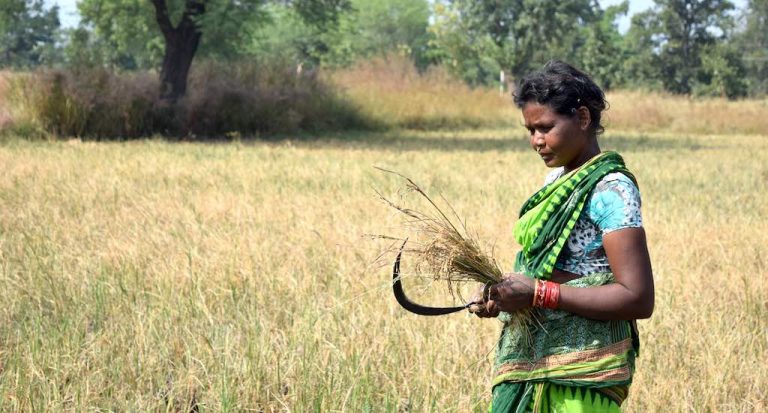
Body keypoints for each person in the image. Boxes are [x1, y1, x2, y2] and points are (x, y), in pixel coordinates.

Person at [470, 60, 655, 412]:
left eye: (545, 127)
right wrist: (505, 292)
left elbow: (637, 297)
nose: (536, 141)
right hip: (531, 363)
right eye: (530, 130)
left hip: (582, 378)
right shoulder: (555, 183)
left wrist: (537, 293)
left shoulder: (611, 190)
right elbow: (542, 270)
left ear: (583, 119)